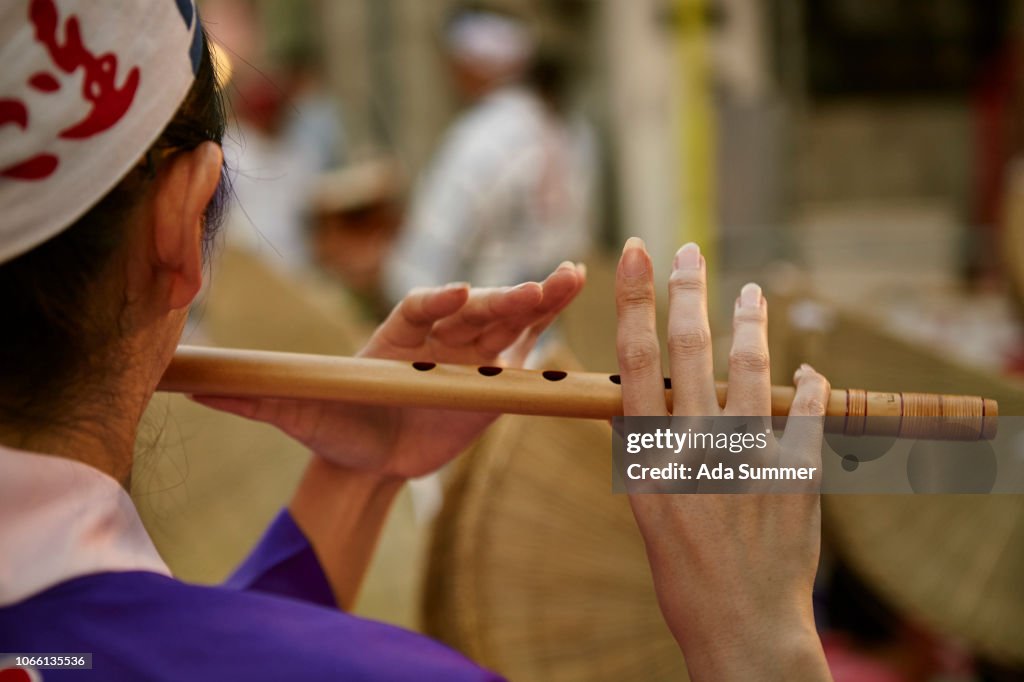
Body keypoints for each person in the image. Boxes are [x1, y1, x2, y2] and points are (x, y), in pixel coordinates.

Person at [0, 2, 834, 680]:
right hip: (534, 356)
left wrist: (358, 472)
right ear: (182, 231)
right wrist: (762, 647)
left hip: (480, 378)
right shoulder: (558, 135)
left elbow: (134, 653)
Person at [384, 6, 597, 302]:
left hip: (492, 325)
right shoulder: (571, 129)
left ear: (474, 63)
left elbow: (425, 258)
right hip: (558, 319)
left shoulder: (482, 136)